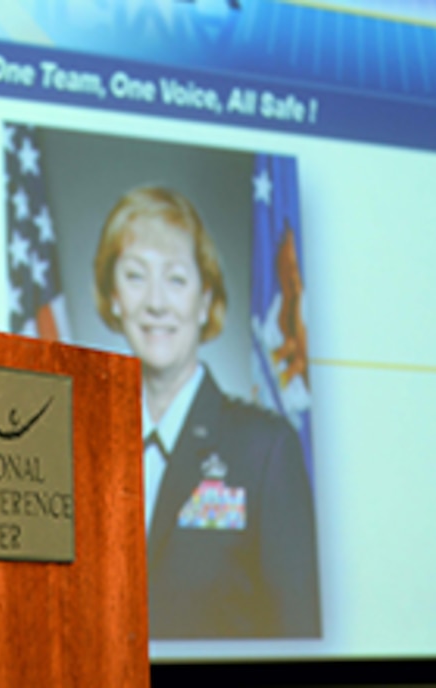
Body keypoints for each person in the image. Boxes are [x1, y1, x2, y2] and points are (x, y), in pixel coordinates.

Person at [91, 185, 320, 639]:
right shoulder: (81, 446)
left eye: (176, 279)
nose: (156, 302)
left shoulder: (266, 450)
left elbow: (296, 634)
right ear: (113, 297)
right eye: (136, 276)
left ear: (205, 300)